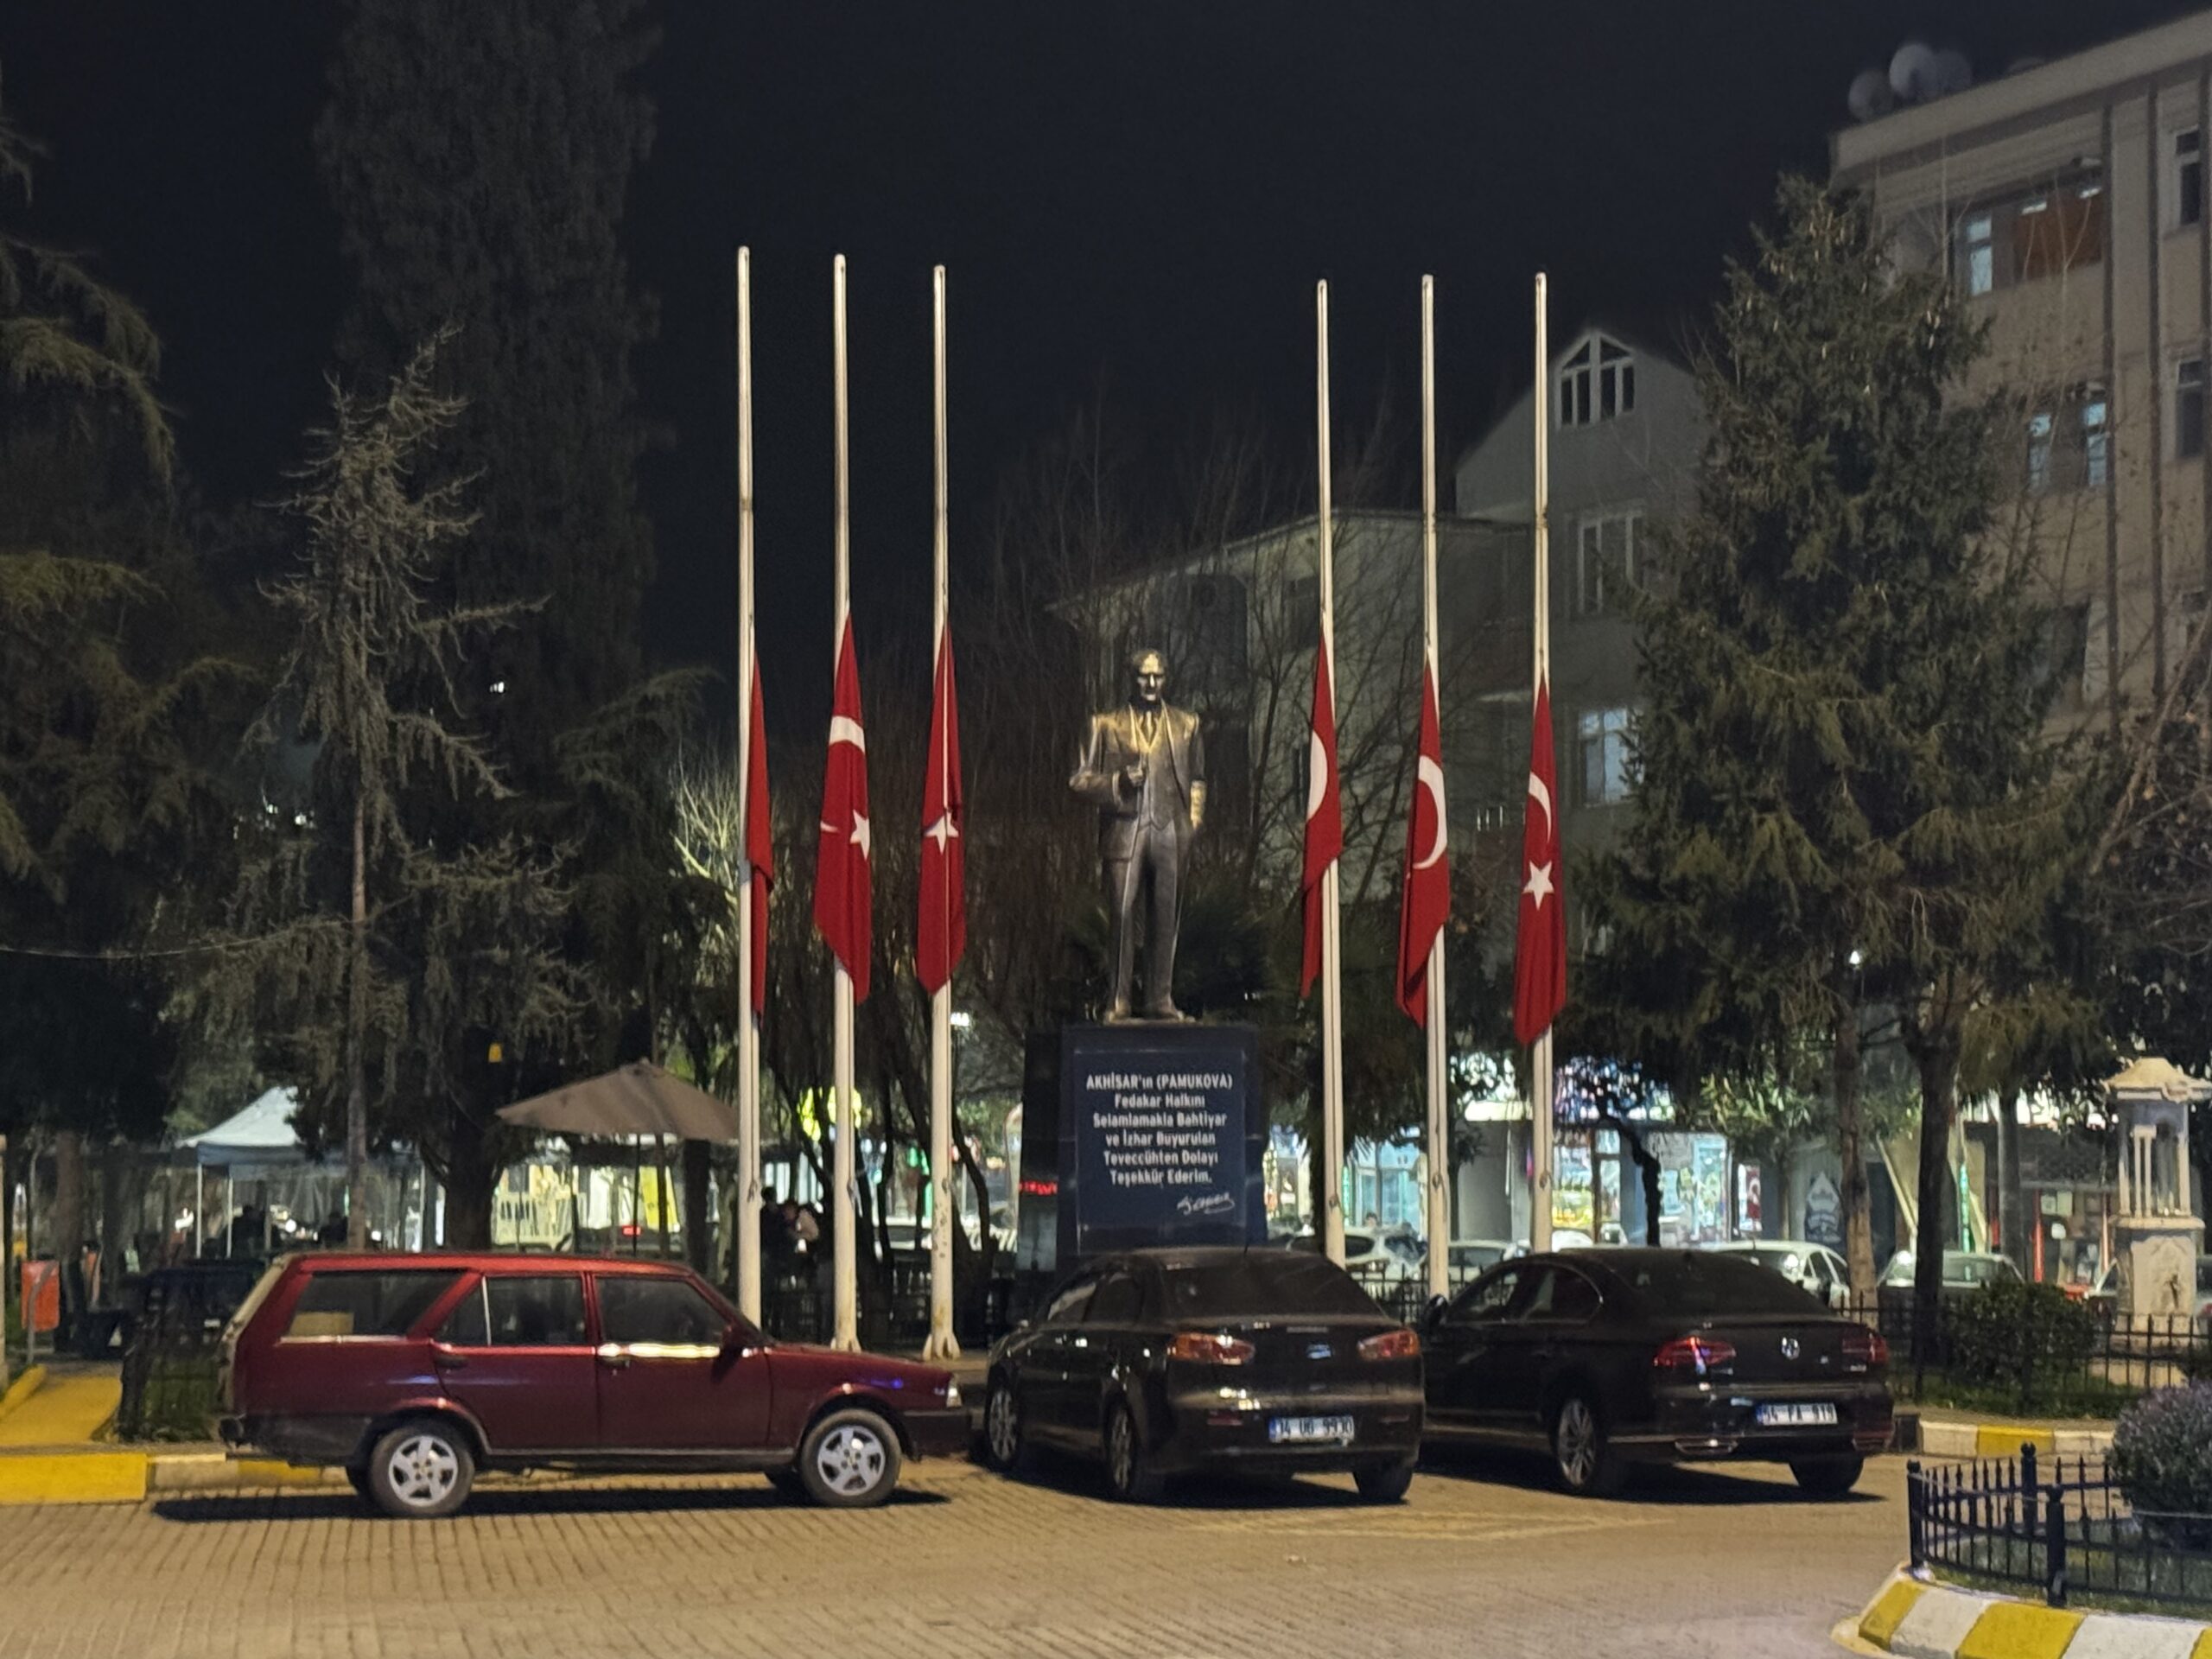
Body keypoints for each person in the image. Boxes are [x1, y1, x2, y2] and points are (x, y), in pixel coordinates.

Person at [1070, 646, 1205, 1020]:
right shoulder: (1104, 724)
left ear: (1166, 678)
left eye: (1157, 676)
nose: (1150, 683)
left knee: (1166, 917)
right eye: (1144, 675)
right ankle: (1118, 1000)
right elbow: (1078, 780)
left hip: (1170, 831)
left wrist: (1192, 825)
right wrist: (1117, 782)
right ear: (1130, 677)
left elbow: (1197, 780)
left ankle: (1160, 998)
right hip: (1125, 830)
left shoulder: (1187, 724)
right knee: (1122, 914)